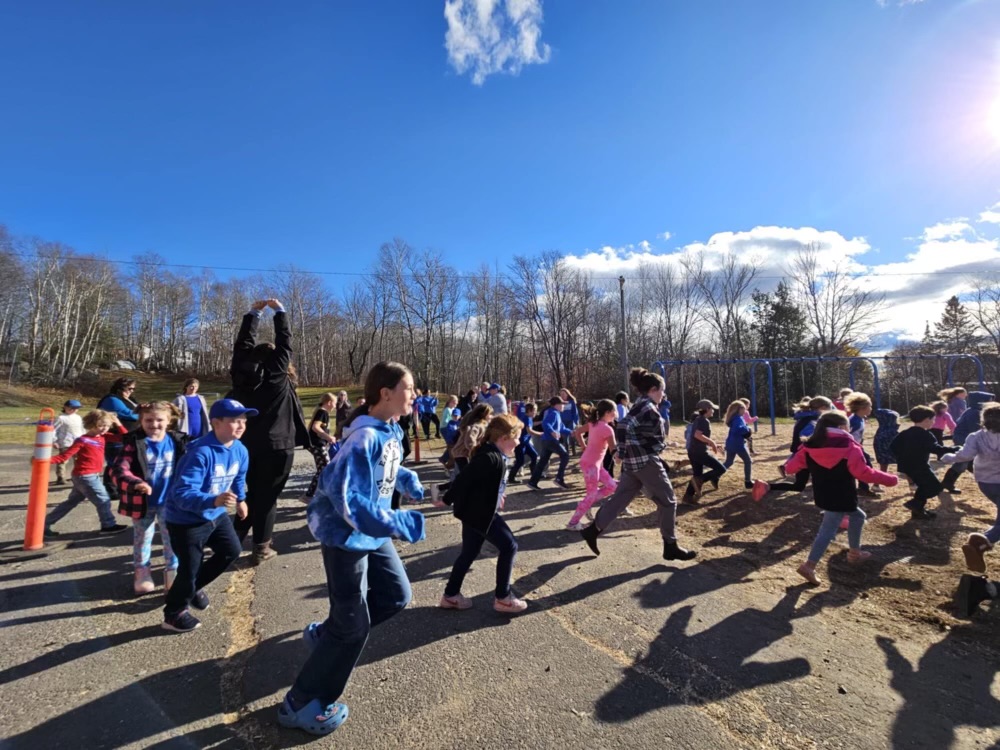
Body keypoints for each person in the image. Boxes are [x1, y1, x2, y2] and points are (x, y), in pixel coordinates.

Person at [279, 362, 425, 736]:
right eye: (409, 388)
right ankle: (301, 703)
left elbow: (388, 467)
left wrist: (407, 480)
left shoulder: (388, 428)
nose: (415, 394)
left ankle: (326, 635)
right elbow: (352, 503)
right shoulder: (363, 438)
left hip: (370, 534)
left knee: (396, 595)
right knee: (353, 628)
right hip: (345, 536)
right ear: (386, 393)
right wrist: (400, 522)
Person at [580, 368, 697, 562]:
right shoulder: (648, 407)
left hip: (634, 463)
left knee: (621, 498)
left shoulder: (640, 404)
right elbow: (624, 426)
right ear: (652, 389)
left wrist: (623, 452)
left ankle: (592, 530)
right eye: (662, 390)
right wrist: (623, 451)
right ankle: (671, 546)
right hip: (645, 461)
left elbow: (631, 429)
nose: (664, 394)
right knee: (668, 502)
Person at [162, 398, 254, 632]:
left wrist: (241, 500)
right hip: (186, 520)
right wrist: (212, 500)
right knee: (189, 567)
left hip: (216, 514)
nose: (241, 425)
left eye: (243, 420)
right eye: (234, 421)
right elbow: (181, 492)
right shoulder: (200, 452)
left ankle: (190, 588)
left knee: (231, 551)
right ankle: (173, 613)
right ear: (216, 423)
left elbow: (239, 478)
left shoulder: (240, 449)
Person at [229, 299, 310, 564]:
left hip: (246, 444)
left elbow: (241, 346)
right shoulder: (277, 376)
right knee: (267, 499)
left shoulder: (241, 376)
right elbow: (285, 342)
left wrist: (253, 314)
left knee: (252, 494)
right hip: (278, 446)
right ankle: (261, 548)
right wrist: (280, 312)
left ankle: (231, 543)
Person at [787, 412, 898, 586]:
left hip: (823, 494)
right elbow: (863, 473)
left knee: (858, 516)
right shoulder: (850, 447)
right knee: (827, 531)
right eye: (847, 426)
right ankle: (809, 565)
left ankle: (854, 552)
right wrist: (889, 479)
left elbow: (791, 468)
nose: (849, 429)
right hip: (843, 494)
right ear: (840, 428)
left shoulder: (809, 447)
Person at [436, 413, 528, 614]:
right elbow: (464, 479)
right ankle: (503, 598)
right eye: (517, 437)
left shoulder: (494, 453)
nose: (519, 441)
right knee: (509, 546)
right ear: (504, 438)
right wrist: (445, 498)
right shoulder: (490, 457)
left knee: (469, 552)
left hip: (474, 512)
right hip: (480, 514)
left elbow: (484, 482)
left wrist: (498, 495)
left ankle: (450, 596)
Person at [112, 401, 187, 594]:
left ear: (169, 421)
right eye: (149, 420)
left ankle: (173, 571)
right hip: (142, 502)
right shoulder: (134, 443)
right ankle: (142, 571)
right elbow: (119, 469)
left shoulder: (178, 441)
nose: (154, 424)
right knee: (143, 537)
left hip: (170, 502)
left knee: (172, 538)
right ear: (141, 421)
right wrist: (135, 482)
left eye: (159, 420)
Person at [44, 410, 128, 536]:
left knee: (71, 502)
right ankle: (108, 525)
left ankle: (44, 524)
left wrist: (118, 422)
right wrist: (44, 460)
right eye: (100, 425)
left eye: (107, 426)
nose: (103, 429)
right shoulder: (82, 440)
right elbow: (64, 456)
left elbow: (125, 437)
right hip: (85, 476)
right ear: (91, 424)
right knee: (103, 499)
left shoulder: (104, 437)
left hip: (89, 475)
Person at [940, 401, 1000, 572]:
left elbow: (965, 455)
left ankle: (981, 544)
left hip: (985, 482)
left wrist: (948, 457)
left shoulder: (976, 436)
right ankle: (980, 543)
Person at [752, 396, 833, 501]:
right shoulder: (812, 421)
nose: (831, 410)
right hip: (808, 456)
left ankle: (766, 486)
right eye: (830, 408)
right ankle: (833, 509)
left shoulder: (806, 418)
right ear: (822, 408)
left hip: (804, 456)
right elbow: (807, 440)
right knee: (824, 480)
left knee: (799, 486)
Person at [890, 405, 959, 520]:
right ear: (927, 420)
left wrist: (901, 457)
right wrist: (953, 449)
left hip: (907, 466)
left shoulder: (905, 433)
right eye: (933, 419)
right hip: (920, 466)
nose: (933, 422)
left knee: (924, 485)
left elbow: (893, 446)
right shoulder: (926, 435)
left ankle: (918, 511)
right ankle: (915, 503)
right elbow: (936, 449)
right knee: (935, 487)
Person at [566, 399, 619, 530]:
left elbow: (578, 432)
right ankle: (572, 523)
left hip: (595, 465)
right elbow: (614, 451)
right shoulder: (607, 429)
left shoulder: (593, 423)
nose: (616, 414)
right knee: (591, 495)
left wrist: (583, 446)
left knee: (612, 486)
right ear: (607, 413)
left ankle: (586, 503)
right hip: (591, 465)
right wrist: (620, 458)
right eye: (614, 412)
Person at [941, 391, 996, 493]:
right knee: (962, 462)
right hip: (963, 438)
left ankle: (949, 482)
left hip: (965, 437)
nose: (991, 403)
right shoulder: (974, 413)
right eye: (989, 401)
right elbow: (975, 430)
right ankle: (947, 482)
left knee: (968, 462)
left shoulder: (974, 411)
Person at [98, 378, 139, 499]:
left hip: (128, 435)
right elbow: (127, 413)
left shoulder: (129, 399)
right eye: (129, 388)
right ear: (120, 388)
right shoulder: (111, 399)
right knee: (114, 463)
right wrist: (143, 414)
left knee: (125, 463)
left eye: (133, 389)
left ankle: (121, 487)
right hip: (115, 437)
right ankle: (111, 490)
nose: (131, 391)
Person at [682, 399, 727, 502]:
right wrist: (711, 443)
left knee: (697, 474)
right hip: (699, 452)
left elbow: (699, 437)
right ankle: (701, 480)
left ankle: (687, 497)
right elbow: (697, 435)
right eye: (712, 409)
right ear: (707, 409)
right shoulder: (703, 420)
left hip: (693, 451)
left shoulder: (698, 419)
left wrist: (712, 443)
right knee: (721, 469)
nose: (713, 411)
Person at [527, 396, 573, 490]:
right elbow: (545, 424)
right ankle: (559, 479)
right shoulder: (554, 413)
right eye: (562, 404)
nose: (563, 406)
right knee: (565, 455)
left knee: (543, 461)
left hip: (546, 441)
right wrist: (552, 432)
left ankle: (533, 482)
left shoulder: (556, 414)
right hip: (550, 440)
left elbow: (562, 428)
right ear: (556, 405)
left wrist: (572, 432)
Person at [844, 391, 880, 497]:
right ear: (862, 408)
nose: (871, 409)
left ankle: (863, 487)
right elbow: (846, 434)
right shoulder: (854, 420)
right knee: (863, 465)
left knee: (865, 464)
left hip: (857, 447)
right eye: (870, 406)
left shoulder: (860, 418)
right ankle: (861, 488)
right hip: (851, 448)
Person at [304, 393, 338, 502]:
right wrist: (328, 437)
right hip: (317, 444)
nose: (335, 406)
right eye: (334, 404)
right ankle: (312, 495)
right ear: (329, 403)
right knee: (326, 469)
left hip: (317, 444)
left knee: (323, 469)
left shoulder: (322, 412)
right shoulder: (323, 412)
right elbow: (315, 427)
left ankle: (311, 495)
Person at [722, 400, 754, 490]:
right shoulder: (738, 418)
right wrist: (748, 429)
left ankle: (715, 475)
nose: (745, 411)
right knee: (748, 461)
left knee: (729, 462)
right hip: (738, 444)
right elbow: (740, 430)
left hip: (730, 443)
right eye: (744, 408)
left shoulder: (733, 418)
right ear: (738, 409)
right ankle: (748, 481)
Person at [508, 401, 541, 483]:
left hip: (525, 442)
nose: (535, 412)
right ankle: (511, 478)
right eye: (534, 410)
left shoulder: (527, 418)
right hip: (520, 443)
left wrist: (541, 422)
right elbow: (529, 430)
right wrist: (540, 434)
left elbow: (531, 425)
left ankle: (534, 475)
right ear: (529, 411)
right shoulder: (527, 418)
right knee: (520, 461)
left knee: (534, 455)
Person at [53, 399, 84, 485]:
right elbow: (53, 430)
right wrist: (54, 441)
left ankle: (77, 476)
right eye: (72, 408)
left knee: (78, 460)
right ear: (65, 408)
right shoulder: (61, 418)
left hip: (78, 442)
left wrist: (85, 438)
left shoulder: (78, 417)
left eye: (76, 408)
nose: (74, 410)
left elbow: (82, 429)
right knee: (63, 460)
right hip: (65, 442)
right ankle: (60, 477)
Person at [872, 407, 901, 473]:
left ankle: (878, 481)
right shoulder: (891, 431)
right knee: (905, 465)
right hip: (894, 453)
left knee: (883, 465)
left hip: (881, 454)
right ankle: (911, 482)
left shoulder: (881, 430)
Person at [560, 388, 580, 454]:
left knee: (572, 436)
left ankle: (574, 450)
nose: (562, 395)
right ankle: (566, 451)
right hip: (562, 422)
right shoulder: (559, 402)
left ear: (567, 394)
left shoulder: (572, 402)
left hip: (571, 421)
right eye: (561, 394)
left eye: (564, 394)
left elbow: (575, 412)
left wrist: (576, 421)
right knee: (565, 437)